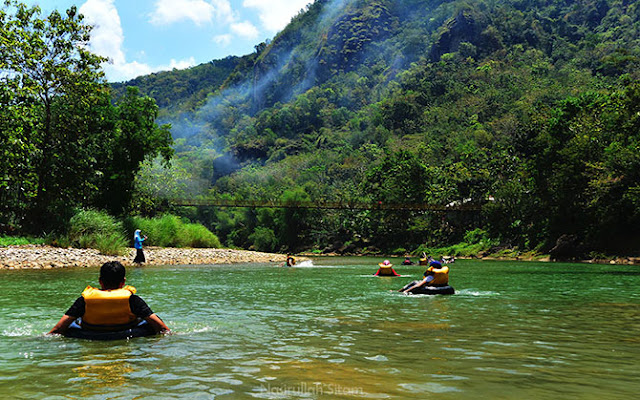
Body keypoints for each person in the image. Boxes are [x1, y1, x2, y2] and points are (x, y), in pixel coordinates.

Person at [48, 261, 170, 335]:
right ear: (123, 282)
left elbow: (58, 329)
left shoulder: (84, 300)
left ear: (100, 281)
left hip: (90, 334)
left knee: (75, 322)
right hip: (127, 332)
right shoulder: (133, 300)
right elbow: (162, 328)